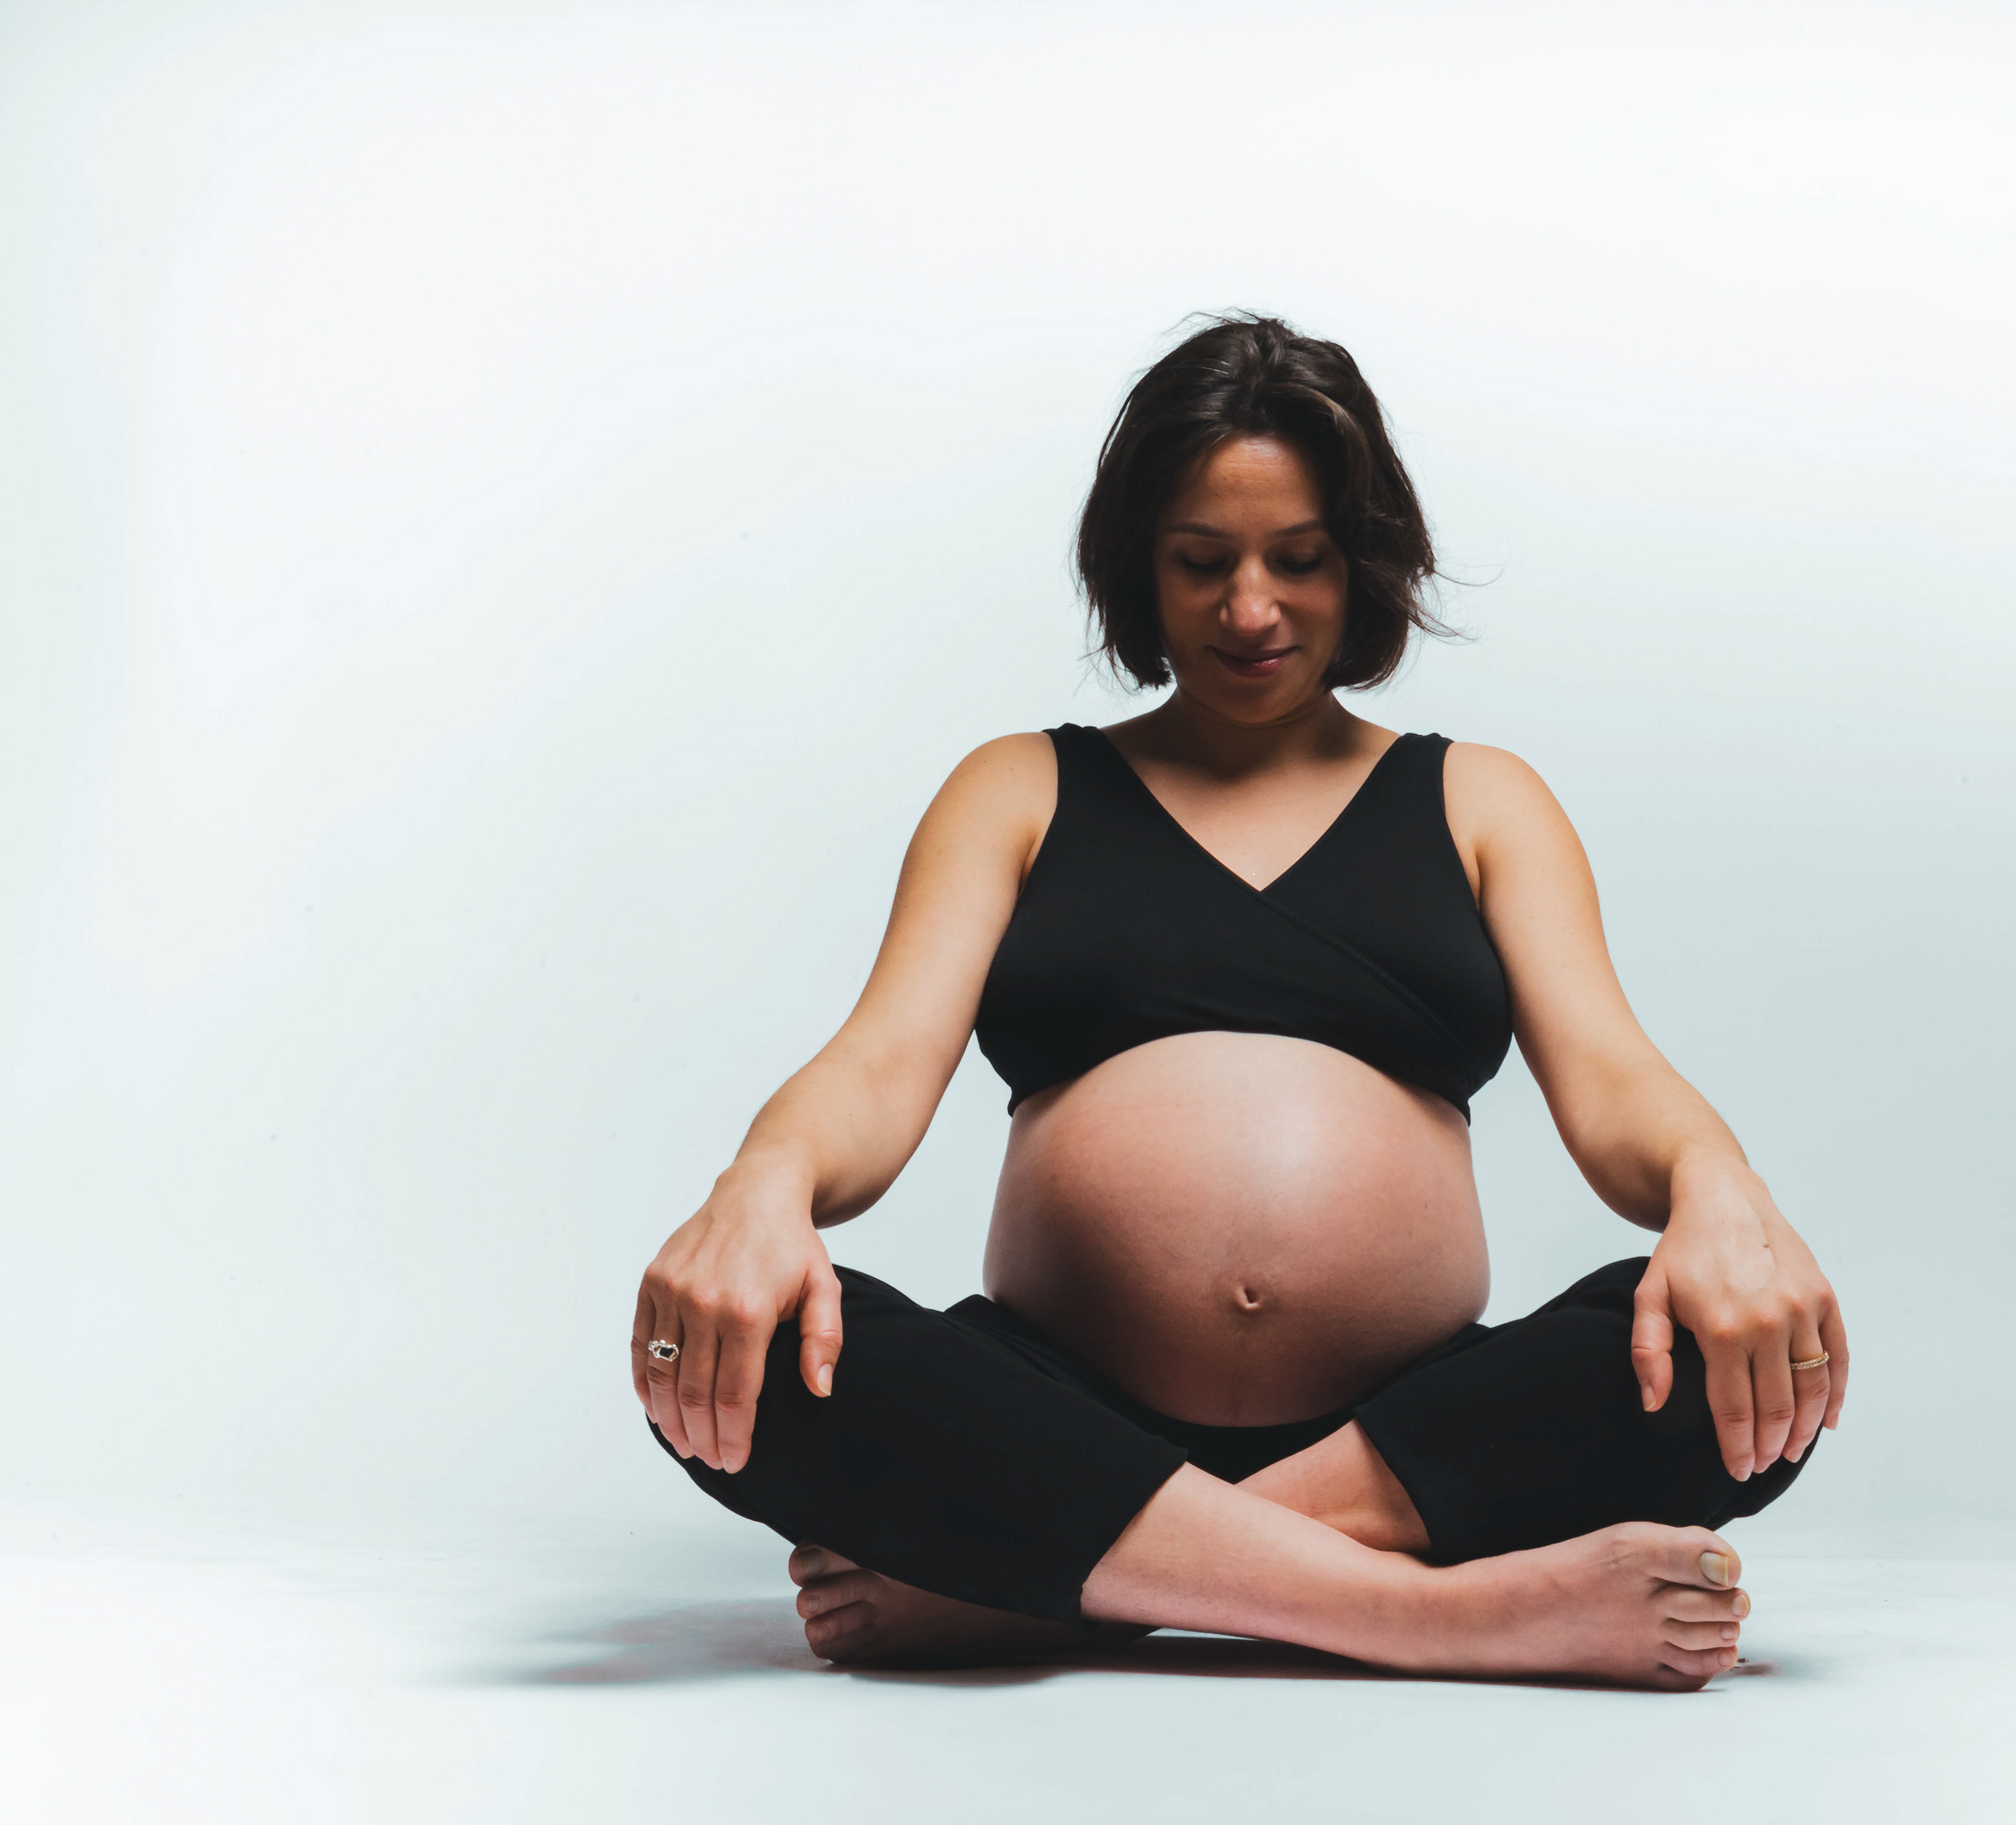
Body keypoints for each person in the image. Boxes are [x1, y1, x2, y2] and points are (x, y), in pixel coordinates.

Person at [633, 316, 1847, 1689]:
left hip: (1408, 1432)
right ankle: (1439, 1615)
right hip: (1050, 1413)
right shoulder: (1019, 789)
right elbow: (875, 1066)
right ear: (1139, 567)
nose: (1251, 611)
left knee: (1748, 1361)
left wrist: (1720, 1190)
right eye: (1202, 562)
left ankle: (1060, 1581)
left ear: (1365, 562)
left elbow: (1617, 1079)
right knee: (728, 1352)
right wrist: (762, 1187)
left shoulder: (1481, 801)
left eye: (1300, 560)